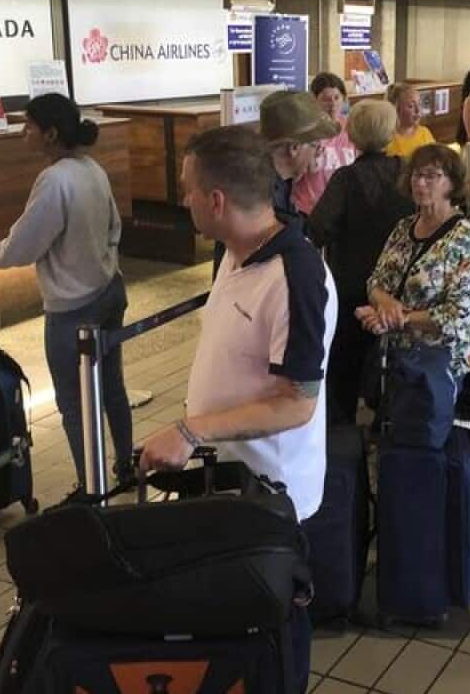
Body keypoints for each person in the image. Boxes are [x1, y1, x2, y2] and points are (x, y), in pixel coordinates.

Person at [141, 125, 337, 689]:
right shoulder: (234, 253)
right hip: (227, 479)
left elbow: (296, 404)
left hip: (270, 493)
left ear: (216, 200)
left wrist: (190, 430)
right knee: (228, 630)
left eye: (187, 188)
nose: (182, 199)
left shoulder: (296, 276)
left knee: (273, 626)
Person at [0, 93, 131, 493]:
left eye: (29, 126)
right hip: (109, 289)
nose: (23, 134)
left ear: (50, 134)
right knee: (112, 387)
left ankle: (92, 487)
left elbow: (23, 246)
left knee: (73, 403)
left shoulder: (54, 180)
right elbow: (114, 228)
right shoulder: (93, 168)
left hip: (72, 308)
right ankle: (125, 465)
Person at [306, 100, 413, 424]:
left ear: (351, 135)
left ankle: (343, 431)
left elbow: (318, 228)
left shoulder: (346, 179)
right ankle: (388, 425)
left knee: (345, 365)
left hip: (351, 285)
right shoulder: (409, 172)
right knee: (399, 363)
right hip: (400, 286)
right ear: (391, 132)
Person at [359, 144, 470, 385]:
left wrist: (400, 317)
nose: (420, 183)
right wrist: (385, 304)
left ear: (452, 183)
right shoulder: (403, 227)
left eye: (431, 176)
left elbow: (459, 314)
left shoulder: (467, 238)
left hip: (439, 364)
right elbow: (375, 281)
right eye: (416, 174)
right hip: (395, 357)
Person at [212, 91, 338, 278]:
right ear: (294, 148)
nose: (318, 153)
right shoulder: (259, 198)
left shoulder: (266, 180)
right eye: (315, 145)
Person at [293, 72, 357, 216]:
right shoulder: (305, 132)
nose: (332, 104)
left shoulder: (353, 129)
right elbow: (292, 177)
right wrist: (307, 157)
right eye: (326, 99)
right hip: (310, 212)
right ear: (314, 102)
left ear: (344, 99)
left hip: (343, 211)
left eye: (336, 98)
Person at [385, 82, 435, 160]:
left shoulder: (425, 133)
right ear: (395, 109)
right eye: (411, 106)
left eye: (419, 104)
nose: (418, 110)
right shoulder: (386, 139)